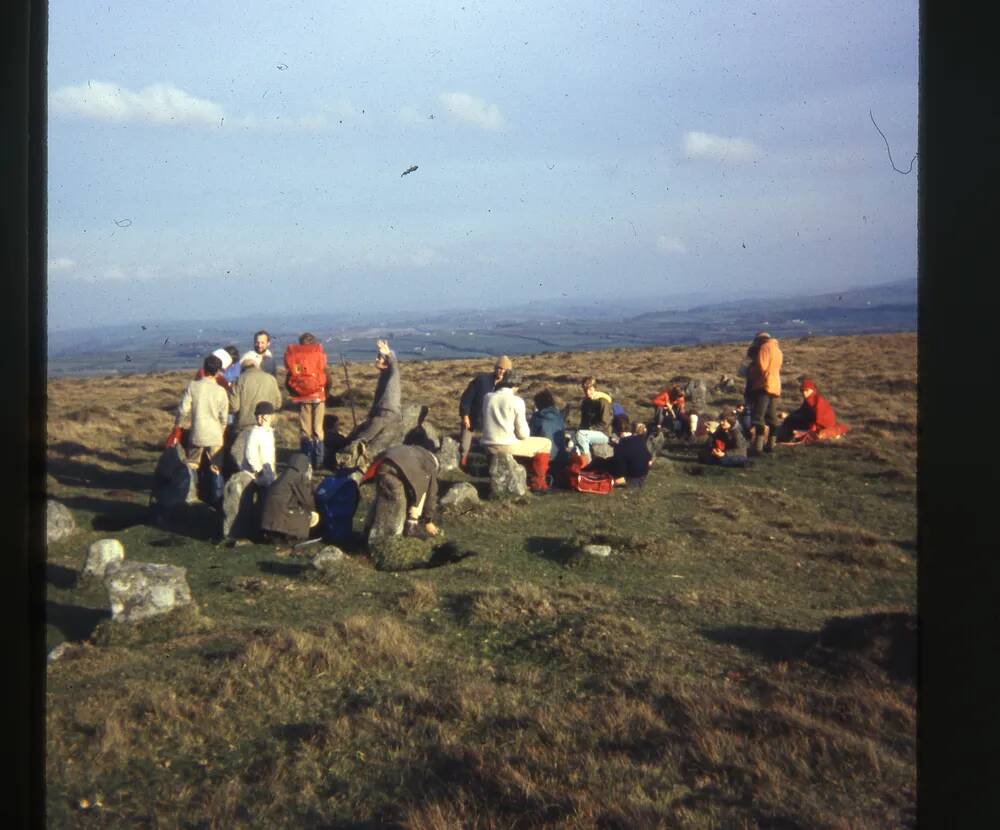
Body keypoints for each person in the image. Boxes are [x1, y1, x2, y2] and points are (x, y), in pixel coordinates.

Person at [174, 354, 229, 506]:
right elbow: (224, 417)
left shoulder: (193, 386)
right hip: (215, 433)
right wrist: (222, 431)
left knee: (192, 464)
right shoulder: (221, 391)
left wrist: (178, 425)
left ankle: (190, 496)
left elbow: (183, 410)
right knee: (216, 467)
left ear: (204, 369)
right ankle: (217, 501)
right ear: (218, 371)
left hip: (197, 432)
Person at [362, 444, 441, 541]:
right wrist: (428, 520)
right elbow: (431, 494)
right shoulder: (431, 464)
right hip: (397, 471)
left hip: (383, 465)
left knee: (381, 498)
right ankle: (410, 526)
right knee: (419, 492)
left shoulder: (416, 450)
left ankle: (367, 528)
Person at [343, 339, 403, 463]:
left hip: (386, 415)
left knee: (360, 439)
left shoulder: (392, 376)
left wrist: (389, 354)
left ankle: (346, 462)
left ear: (387, 362)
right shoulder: (384, 376)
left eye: (380, 358)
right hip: (382, 415)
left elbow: (395, 368)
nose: (376, 360)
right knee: (359, 437)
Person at [228, 350, 283, 467]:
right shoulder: (270, 379)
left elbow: (234, 406)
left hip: (245, 425)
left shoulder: (239, 381)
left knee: (246, 460)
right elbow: (278, 403)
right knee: (266, 457)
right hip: (267, 425)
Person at [480, 371, 553, 458]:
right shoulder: (517, 401)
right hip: (506, 446)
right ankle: (536, 471)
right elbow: (523, 434)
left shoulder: (487, 397)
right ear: (516, 385)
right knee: (546, 443)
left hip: (486, 444)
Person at [284, 332, 329, 471]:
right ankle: (319, 461)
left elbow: (289, 378)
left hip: (303, 397)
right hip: (318, 396)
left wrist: (296, 391)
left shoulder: (295, 357)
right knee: (318, 428)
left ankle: (306, 460)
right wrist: (325, 392)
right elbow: (327, 377)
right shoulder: (318, 354)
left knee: (305, 429)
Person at [458, 355, 512, 466]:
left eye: (505, 370)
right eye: (500, 368)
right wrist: (465, 416)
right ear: (495, 368)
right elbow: (466, 398)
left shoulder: (509, 386)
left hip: (494, 422)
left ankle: (491, 465)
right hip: (475, 417)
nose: (502, 371)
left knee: (493, 448)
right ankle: (462, 462)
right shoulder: (481, 380)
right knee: (464, 445)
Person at [260, 453, 319, 543]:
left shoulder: (285, 474)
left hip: (269, 520)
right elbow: (306, 500)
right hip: (281, 515)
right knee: (305, 515)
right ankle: (294, 536)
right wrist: (314, 509)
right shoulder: (298, 477)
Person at [775, 378, 848, 444]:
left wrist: (789, 416)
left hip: (820, 426)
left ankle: (783, 438)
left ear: (812, 390)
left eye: (806, 390)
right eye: (802, 391)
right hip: (816, 424)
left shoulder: (815, 401)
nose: (804, 393)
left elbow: (813, 418)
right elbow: (801, 412)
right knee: (791, 420)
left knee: (791, 421)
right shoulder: (810, 400)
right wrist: (789, 415)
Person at [746, 331, 783, 455]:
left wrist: (751, 372)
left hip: (764, 385)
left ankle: (758, 447)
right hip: (775, 386)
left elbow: (762, 366)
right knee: (772, 417)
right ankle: (771, 445)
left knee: (759, 417)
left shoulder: (764, 348)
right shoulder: (777, 349)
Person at [236, 400, 278, 486]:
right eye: (258, 417)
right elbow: (250, 454)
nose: (261, 420)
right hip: (256, 476)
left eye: (264, 417)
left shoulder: (269, 432)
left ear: (271, 417)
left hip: (267, 473)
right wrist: (259, 470)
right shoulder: (255, 433)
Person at [573, 377, 613, 462]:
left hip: (603, 433)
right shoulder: (585, 402)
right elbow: (583, 421)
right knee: (573, 438)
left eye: (590, 389)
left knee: (580, 435)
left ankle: (587, 462)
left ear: (595, 388)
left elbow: (605, 422)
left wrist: (591, 429)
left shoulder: (603, 401)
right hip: (588, 432)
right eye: (585, 390)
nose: (588, 392)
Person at [528, 388, 567, 459]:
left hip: (543, 458)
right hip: (561, 457)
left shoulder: (537, 417)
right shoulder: (559, 416)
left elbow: (530, 436)